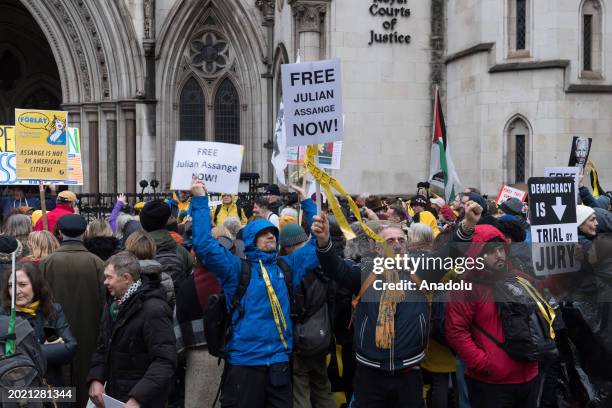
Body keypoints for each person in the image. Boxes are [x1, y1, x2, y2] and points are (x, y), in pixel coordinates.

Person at [310, 201, 483, 408]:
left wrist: (468, 224)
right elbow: (334, 268)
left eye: (401, 239)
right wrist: (323, 241)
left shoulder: (420, 271)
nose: (397, 244)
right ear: (376, 246)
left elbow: (450, 254)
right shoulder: (365, 272)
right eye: (390, 240)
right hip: (369, 374)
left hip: (409, 374)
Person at [191, 178, 320, 408]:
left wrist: (307, 202)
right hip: (245, 364)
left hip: (279, 363)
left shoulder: (286, 267)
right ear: (251, 240)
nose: (272, 236)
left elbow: (315, 246)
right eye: (265, 233)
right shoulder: (236, 269)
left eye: (273, 233)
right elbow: (203, 245)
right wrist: (200, 199)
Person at [445, 225, 540, 408]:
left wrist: (564, 274)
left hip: (529, 374)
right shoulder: (465, 287)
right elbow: (456, 331)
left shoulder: (518, 278)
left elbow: (546, 296)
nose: (499, 256)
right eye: (491, 252)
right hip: (491, 383)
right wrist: (484, 363)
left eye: (501, 249)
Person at [88, 252, 176, 408]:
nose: (105, 283)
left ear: (127, 278)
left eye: (109, 277)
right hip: (116, 396)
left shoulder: (154, 309)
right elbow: (103, 346)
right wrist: (96, 379)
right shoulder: (114, 305)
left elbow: (164, 361)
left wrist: (137, 398)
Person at [39, 214, 105, 408]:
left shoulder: (47, 263)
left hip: (54, 334)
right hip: (89, 332)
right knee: (85, 379)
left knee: (59, 381)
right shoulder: (97, 263)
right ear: (85, 233)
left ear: (59, 233)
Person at [278, 223, 336, 408]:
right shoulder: (322, 259)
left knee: (300, 389)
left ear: (286, 245)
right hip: (321, 334)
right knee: (322, 385)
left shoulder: (288, 267)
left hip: (299, 338)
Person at [1, 262, 77, 387]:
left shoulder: (53, 310)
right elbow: (7, 356)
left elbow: (70, 348)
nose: (16, 291)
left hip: (52, 386)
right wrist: (44, 349)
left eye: (22, 285)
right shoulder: (4, 315)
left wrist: (25, 351)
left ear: (36, 285)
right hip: (16, 388)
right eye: (11, 286)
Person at [139, 200, 195, 290]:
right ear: (166, 222)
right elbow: (193, 278)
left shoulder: (135, 250)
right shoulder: (181, 251)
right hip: (178, 301)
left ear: (143, 224)